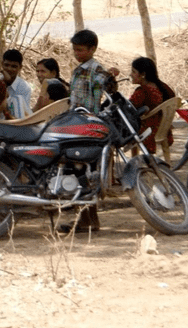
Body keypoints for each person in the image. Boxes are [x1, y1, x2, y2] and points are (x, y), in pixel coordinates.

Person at [62, 29, 113, 233]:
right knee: (80, 172)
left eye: (81, 50)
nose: (77, 53)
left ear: (92, 49)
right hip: (75, 123)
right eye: (75, 50)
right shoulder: (79, 70)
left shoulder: (95, 70)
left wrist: (111, 77)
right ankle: (88, 219)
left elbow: (107, 85)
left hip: (87, 126)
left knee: (82, 171)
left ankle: (87, 219)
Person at [129, 57, 176, 153]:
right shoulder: (164, 87)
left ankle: (135, 161)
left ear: (143, 75)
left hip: (148, 131)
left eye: (133, 72)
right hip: (164, 129)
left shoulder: (142, 91)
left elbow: (130, 108)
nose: (131, 75)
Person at [1, 49, 32, 120]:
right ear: (2, 64)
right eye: (6, 65)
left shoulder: (24, 87)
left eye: (14, 66)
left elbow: (21, 112)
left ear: (20, 67)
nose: (9, 69)